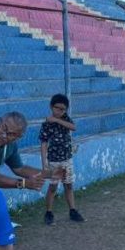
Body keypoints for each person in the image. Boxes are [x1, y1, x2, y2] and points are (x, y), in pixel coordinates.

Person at [40, 94, 84, 225]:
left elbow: (73, 127)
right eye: (57, 108)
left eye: (63, 109)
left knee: (68, 185)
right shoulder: (46, 124)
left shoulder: (65, 119)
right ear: (51, 107)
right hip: (53, 161)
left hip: (67, 159)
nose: (59, 111)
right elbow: (43, 144)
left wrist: (57, 120)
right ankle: (48, 212)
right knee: (53, 187)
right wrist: (44, 163)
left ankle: (72, 210)